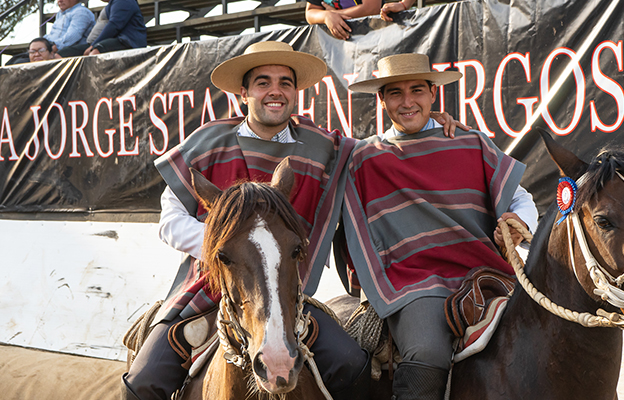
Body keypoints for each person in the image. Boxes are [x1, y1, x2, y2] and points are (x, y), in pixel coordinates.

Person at [122, 41, 465, 400]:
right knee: (142, 383)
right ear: (244, 92)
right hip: (207, 289)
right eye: (263, 82)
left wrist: (427, 125)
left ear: (295, 91)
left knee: (353, 365)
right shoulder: (207, 141)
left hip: (287, 293)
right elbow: (170, 220)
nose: (275, 91)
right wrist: (234, 248)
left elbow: (383, 150)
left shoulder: (323, 147)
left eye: (285, 82)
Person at [343, 53, 538, 400]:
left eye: (417, 90)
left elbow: (520, 199)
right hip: (413, 284)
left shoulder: (471, 142)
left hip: (488, 274)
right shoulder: (362, 158)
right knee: (427, 351)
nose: (407, 102)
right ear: (381, 99)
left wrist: (519, 222)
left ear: (433, 94)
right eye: (395, 93)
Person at [305, 0, 383, 40]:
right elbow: (310, 13)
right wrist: (326, 16)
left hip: (375, 35)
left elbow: (372, 8)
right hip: (343, 43)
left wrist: (335, 14)